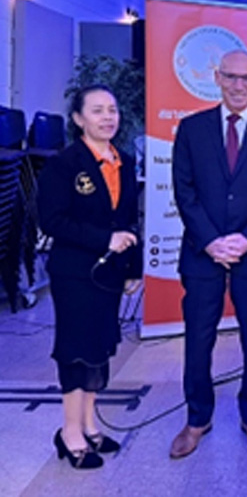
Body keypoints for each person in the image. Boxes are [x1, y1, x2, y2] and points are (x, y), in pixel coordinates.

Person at [170, 50, 247, 459]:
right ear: (218, 78)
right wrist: (210, 241)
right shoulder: (191, 129)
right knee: (198, 339)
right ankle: (197, 418)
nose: (239, 85)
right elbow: (184, 191)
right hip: (202, 252)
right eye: (231, 77)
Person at [38, 84, 142, 469]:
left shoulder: (125, 161)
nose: (108, 117)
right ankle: (70, 432)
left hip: (111, 274)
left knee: (99, 348)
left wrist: (132, 267)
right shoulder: (63, 164)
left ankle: (89, 425)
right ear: (79, 119)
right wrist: (105, 239)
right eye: (97, 111)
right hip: (74, 273)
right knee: (75, 349)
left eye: (112, 110)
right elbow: (51, 220)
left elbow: (129, 218)